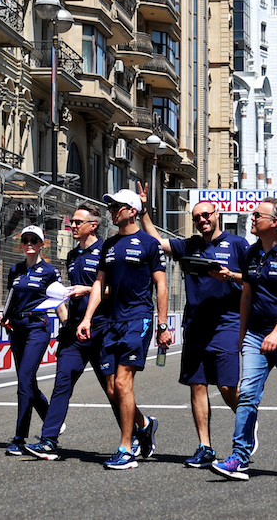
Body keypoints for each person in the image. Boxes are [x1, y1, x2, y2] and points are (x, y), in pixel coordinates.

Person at [25, 203, 154, 462]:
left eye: (77, 222)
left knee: (114, 389)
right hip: (75, 329)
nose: (72, 226)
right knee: (62, 382)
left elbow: (115, 289)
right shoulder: (72, 256)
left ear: (92, 225)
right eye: (71, 222)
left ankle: (140, 428)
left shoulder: (108, 250)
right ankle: (49, 440)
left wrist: (86, 290)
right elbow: (72, 292)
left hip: (104, 328)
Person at [141, 198, 248, 469]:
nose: (202, 220)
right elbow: (156, 242)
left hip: (227, 323)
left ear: (217, 214)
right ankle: (205, 447)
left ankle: (247, 426)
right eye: (197, 217)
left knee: (226, 386)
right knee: (197, 385)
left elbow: (253, 279)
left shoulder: (238, 244)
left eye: (206, 215)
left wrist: (231, 276)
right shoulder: (189, 245)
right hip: (196, 325)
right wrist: (144, 210)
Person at [213, 197, 277, 481]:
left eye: (257, 215)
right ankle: (239, 457)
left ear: (275, 222)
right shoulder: (251, 253)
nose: (252, 218)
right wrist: (243, 336)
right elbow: (246, 295)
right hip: (256, 335)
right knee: (247, 396)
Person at [77, 188, 171, 471]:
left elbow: (162, 286)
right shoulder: (108, 245)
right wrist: (87, 318)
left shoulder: (148, 244)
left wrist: (163, 325)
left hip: (137, 318)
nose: (111, 211)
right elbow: (98, 284)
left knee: (122, 382)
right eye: (110, 206)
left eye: (116, 206)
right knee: (111, 388)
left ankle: (125, 449)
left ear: (131, 210)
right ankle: (144, 424)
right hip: (110, 323)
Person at [1, 224, 59, 455]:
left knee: (24, 380)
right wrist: (5, 317)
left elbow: (60, 302)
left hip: (38, 326)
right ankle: (51, 419)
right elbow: (10, 298)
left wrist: (69, 326)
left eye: (34, 240)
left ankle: (19, 437)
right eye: (25, 240)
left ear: (42, 244)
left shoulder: (50, 271)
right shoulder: (14, 269)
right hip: (16, 327)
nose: (29, 244)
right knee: (28, 382)